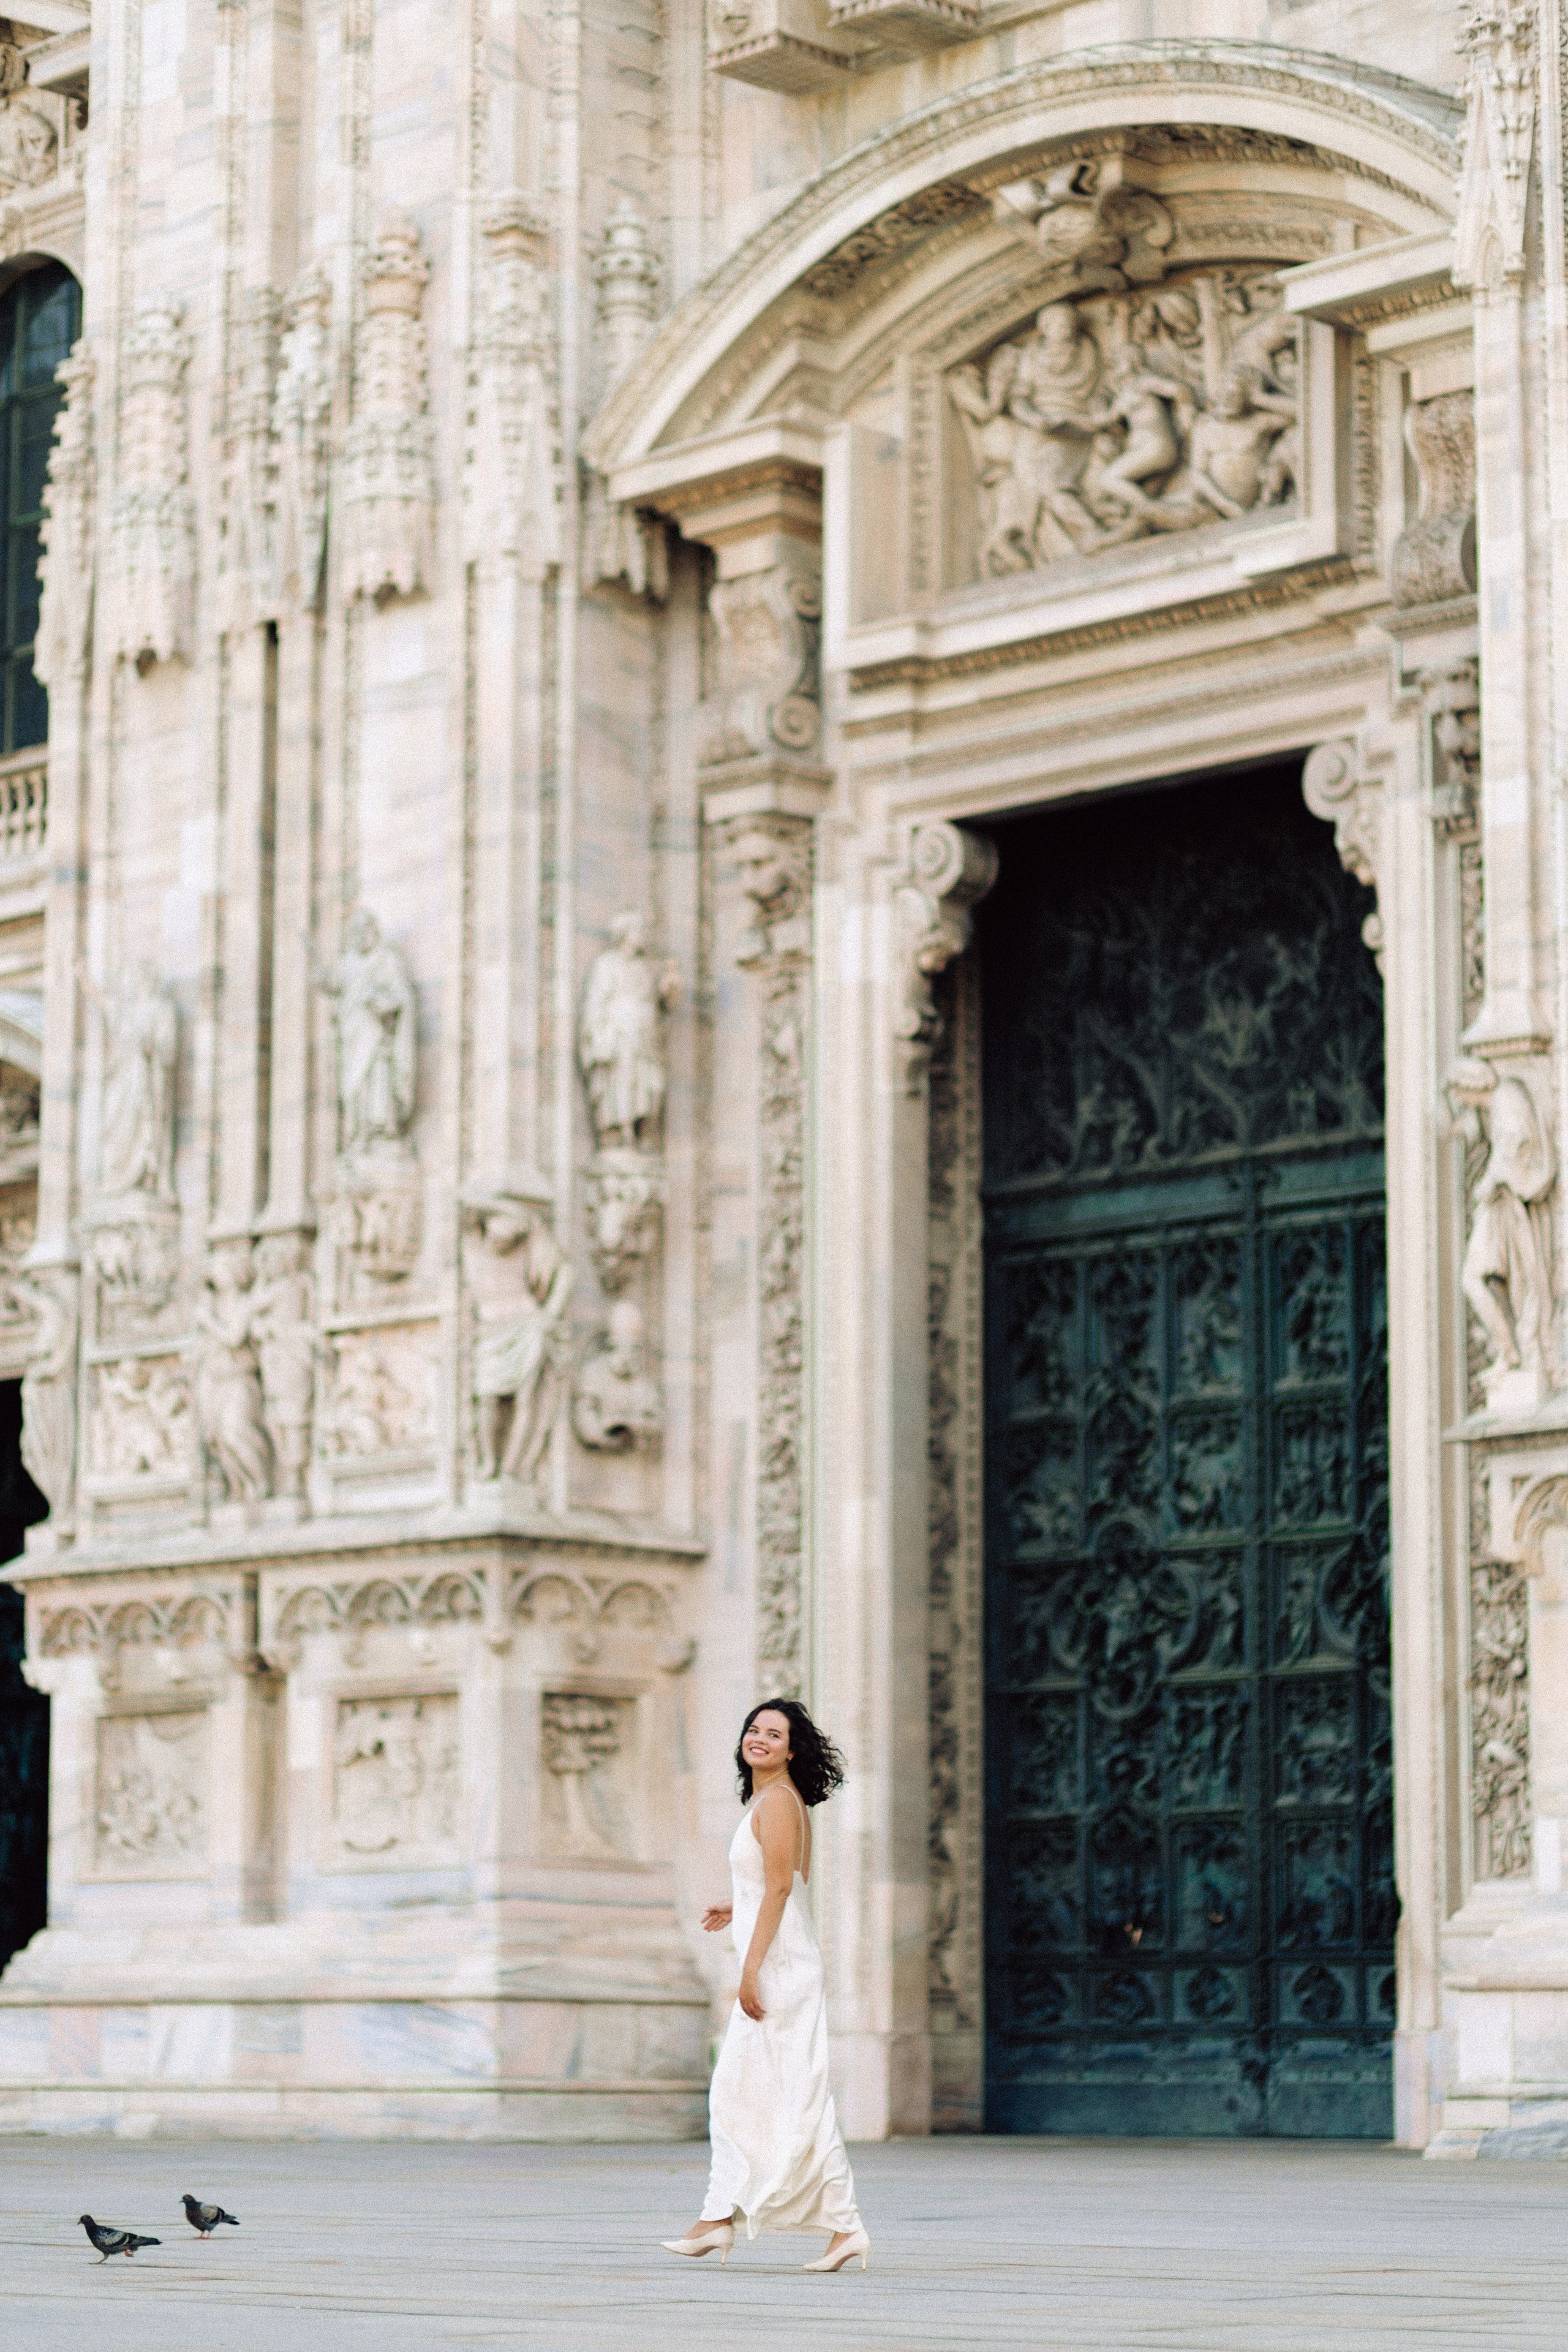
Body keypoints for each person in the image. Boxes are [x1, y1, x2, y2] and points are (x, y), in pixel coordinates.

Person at [662, 1698, 870, 2275]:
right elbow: (781, 1884)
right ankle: (722, 2218)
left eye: (774, 1734)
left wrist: (749, 1971)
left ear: (792, 1750)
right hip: (784, 1960)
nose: (759, 1739)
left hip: (780, 1968)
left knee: (772, 2094)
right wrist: (740, 1904)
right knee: (757, 2092)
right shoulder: (775, 1800)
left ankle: (826, 2225)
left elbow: (781, 1888)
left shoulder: (778, 1801)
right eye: (754, 1729)